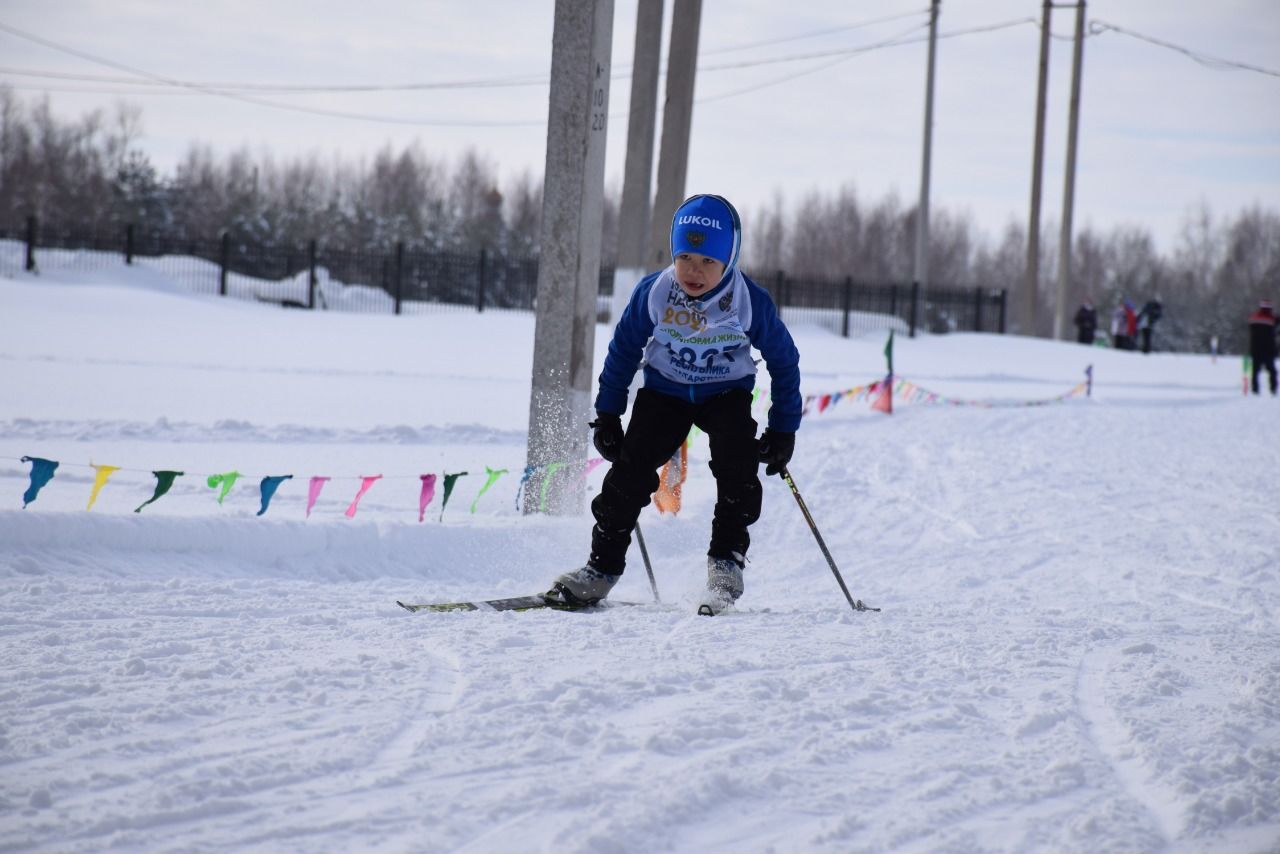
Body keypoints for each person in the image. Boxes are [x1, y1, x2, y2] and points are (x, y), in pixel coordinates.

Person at [549, 194, 802, 611]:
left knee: (737, 468)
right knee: (628, 475)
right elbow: (624, 350)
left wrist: (783, 428)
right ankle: (601, 569)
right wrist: (608, 414)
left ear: (729, 260)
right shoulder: (657, 291)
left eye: (707, 261)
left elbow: (784, 361)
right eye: (684, 256)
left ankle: (726, 563)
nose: (693, 271)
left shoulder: (747, 300)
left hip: (726, 392)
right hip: (665, 390)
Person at [1248, 299, 1277, 396]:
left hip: (1255, 349)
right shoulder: (1272, 319)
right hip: (1269, 350)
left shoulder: (1253, 318)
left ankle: (1255, 390)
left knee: (1255, 371)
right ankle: (1273, 389)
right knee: (1272, 371)